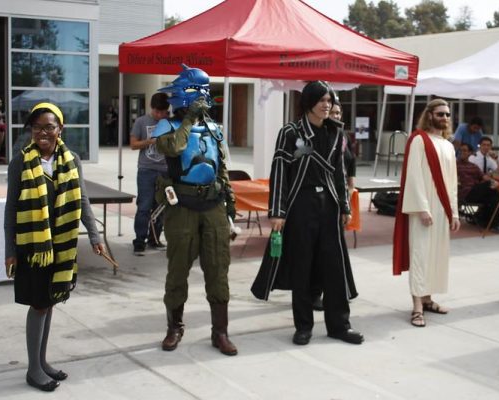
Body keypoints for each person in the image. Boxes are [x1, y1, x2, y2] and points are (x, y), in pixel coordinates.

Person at [251, 81, 363, 346]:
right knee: (302, 268)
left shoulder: (337, 132)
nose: (328, 105)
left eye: (330, 100)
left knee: (334, 269)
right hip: (300, 206)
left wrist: (345, 205)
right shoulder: (290, 132)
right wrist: (277, 211)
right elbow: (279, 170)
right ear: (309, 102)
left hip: (330, 207)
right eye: (322, 100)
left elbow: (339, 172)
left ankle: (339, 325)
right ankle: (303, 326)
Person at [4, 102, 104, 392]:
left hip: (60, 246)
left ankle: (42, 362)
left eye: (49, 126)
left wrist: (95, 236)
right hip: (32, 248)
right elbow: (11, 210)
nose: (43, 132)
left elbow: (83, 200)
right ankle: (33, 369)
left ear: (60, 129)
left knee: (49, 303)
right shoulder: (20, 162)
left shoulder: (71, 159)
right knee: (38, 304)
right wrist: (10, 249)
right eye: (37, 127)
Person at [152, 65, 238, 355]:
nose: (201, 96)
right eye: (194, 91)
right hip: (182, 207)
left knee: (218, 269)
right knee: (177, 270)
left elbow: (221, 166)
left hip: (212, 204)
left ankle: (220, 332)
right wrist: (188, 118)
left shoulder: (215, 129)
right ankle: (174, 328)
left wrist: (230, 201)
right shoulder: (167, 126)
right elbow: (174, 149)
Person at [393, 98, 460, 328]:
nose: (444, 118)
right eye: (440, 114)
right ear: (429, 114)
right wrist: (421, 207)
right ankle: (417, 308)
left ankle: (429, 300)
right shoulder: (418, 140)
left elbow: (452, 183)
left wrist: (455, 213)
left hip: (442, 209)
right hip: (423, 209)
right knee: (421, 256)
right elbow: (413, 176)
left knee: (436, 256)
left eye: (447, 115)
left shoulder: (448, 145)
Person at [310, 98, 356, 311]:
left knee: (335, 252)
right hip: (319, 201)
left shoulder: (342, 137)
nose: (336, 116)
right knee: (319, 252)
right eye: (333, 112)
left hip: (338, 200)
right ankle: (314, 293)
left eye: (339, 113)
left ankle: (335, 292)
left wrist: (348, 192)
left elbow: (349, 165)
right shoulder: (320, 137)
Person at [130, 93, 170, 255]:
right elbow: (133, 144)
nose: (160, 115)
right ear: (151, 108)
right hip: (146, 169)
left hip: (165, 170)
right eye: (157, 112)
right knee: (144, 206)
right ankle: (140, 241)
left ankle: (155, 239)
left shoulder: (169, 123)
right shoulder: (141, 122)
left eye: (163, 112)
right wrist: (150, 142)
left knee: (160, 207)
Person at [457, 143, 499, 229]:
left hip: (476, 192)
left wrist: (493, 182)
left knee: (494, 198)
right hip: (466, 193)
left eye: (465, 151)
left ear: (470, 153)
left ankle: (493, 224)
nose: (462, 152)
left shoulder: (473, 166)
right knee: (489, 186)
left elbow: (484, 177)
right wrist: (491, 182)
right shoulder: (455, 165)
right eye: (461, 150)